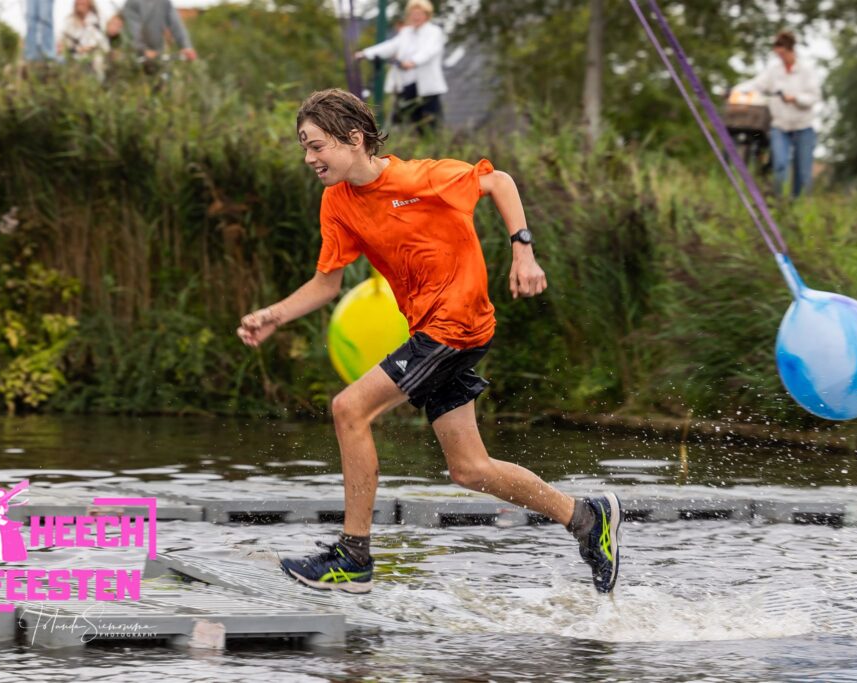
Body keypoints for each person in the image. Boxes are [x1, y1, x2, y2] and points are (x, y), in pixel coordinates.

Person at [237, 89, 623, 595]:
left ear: (354, 139)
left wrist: (523, 251)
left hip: (457, 326)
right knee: (469, 469)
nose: (309, 158)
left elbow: (499, 181)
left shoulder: (421, 179)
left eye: (316, 145)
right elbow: (327, 284)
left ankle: (353, 558)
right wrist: (273, 315)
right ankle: (586, 518)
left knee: (349, 409)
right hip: (431, 332)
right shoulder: (337, 203)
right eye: (304, 148)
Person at [737, 30, 821, 198]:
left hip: (803, 126)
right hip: (780, 126)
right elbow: (756, 85)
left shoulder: (806, 70)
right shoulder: (773, 71)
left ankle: (797, 205)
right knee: (780, 165)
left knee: (803, 174)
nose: (780, 57)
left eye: (783, 54)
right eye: (778, 54)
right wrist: (735, 90)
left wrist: (795, 98)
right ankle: (777, 202)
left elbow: (814, 97)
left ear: (791, 50)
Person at [354, 0, 446, 134]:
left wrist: (412, 62)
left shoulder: (434, 32)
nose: (416, 17)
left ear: (427, 15)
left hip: (427, 88)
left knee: (430, 122)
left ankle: (431, 144)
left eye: (419, 14)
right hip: (407, 85)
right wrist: (366, 53)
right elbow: (390, 46)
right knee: (407, 119)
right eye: (413, 14)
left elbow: (428, 51)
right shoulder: (406, 33)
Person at [120, 0, 196, 62]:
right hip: (137, 56)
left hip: (158, 53)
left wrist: (186, 46)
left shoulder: (165, 2)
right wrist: (143, 50)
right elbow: (133, 30)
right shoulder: (132, 2)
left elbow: (176, 24)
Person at [58, 0, 109, 80]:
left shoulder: (98, 20)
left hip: (92, 60)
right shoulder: (68, 21)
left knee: (97, 60)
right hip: (73, 58)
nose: (80, 2)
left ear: (90, 3)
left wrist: (89, 49)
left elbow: (103, 45)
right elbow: (61, 43)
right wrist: (75, 49)